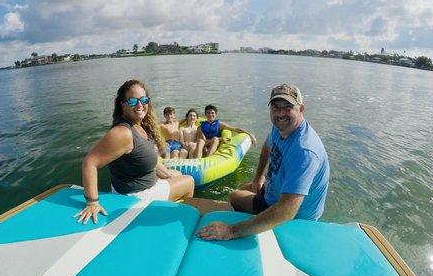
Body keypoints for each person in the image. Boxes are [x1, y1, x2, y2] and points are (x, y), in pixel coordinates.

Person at [197, 84, 329, 241]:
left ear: (301, 109)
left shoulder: (304, 151)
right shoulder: (280, 128)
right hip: (276, 189)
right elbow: (267, 148)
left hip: (294, 217)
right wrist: (258, 178)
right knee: (245, 188)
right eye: (275, 107)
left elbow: (286, 211)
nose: (280, 113)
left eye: (287, 107)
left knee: (233, 196)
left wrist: (231, 231)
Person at [75, 80, 194, 224]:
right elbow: (89, 163)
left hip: (138, 184)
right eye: (132, 101)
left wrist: (169, 175)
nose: (140, 105)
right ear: (122, 104)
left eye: (144, 100)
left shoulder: (139, 126)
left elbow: (146, 160)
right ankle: (183, 221)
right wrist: (92, 202)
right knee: (189, 181)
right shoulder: (123, 133)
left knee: (178, 174)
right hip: (138, 195)